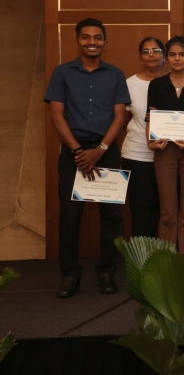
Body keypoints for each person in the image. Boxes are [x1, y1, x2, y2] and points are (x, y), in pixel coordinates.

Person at [45, 18, 130, 298]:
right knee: (70, 218)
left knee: (112, 217)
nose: (92, 42)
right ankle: (70, 274)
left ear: (105, 41)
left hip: (106, 152)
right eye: (86, 37)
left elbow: (120, 116)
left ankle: (106, 271)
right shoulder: (61, 73)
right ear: (77, 40)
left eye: (97, 37)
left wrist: (100, 150)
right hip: (74, 153)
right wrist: (78, 151)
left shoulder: (116, 75)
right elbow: (57, 115)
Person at [147, 36, 184, 256]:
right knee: (168, 210)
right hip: (165, 151)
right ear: (166, 58)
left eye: (182, 54)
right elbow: (150, 117)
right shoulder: (157, 85)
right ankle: (166, 260)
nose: (177, 58)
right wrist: (151, 142)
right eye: (172, 54)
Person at [122, 37, 165, 238]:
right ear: (140, 56)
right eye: (146, 51)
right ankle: (142, 256)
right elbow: (121, 121)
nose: (151, 54)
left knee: (168, 212)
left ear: (164, 56)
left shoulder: (175, 82)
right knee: (141, 214)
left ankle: (165, 256)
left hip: (170, 157)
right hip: (137, 155)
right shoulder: (129, 84)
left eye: (156, 50)